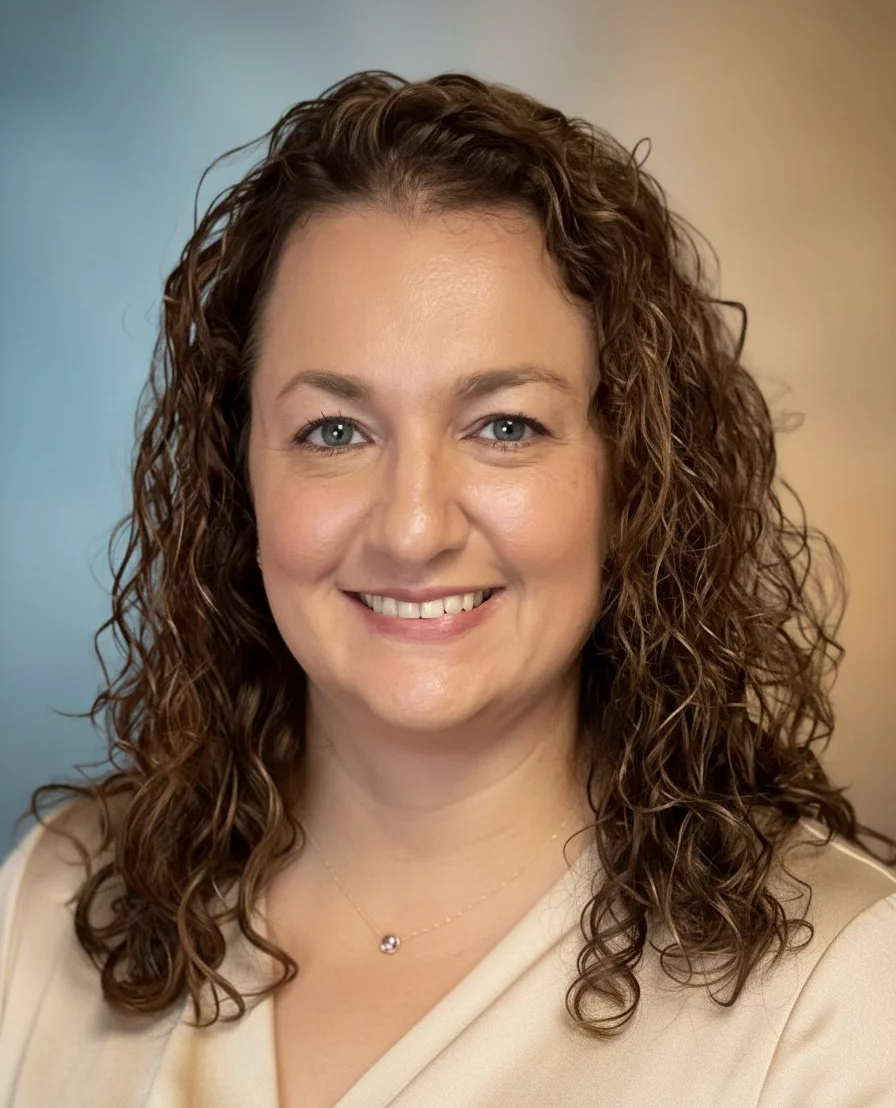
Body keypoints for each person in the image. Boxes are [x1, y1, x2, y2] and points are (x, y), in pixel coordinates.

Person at [0, 69, 894, 1108]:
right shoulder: (54, 908)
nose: (413, 526)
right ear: (234, 475)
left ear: (632, 473)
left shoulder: (837, 996)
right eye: (334, 431)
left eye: (502, 426)